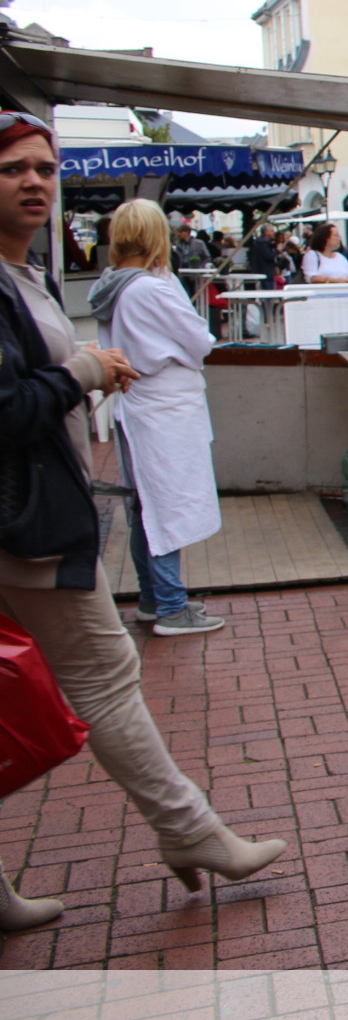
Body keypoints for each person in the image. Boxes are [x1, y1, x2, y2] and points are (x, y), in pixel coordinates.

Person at [0, 113, 286, 927]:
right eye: (14, 168)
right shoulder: (50, 283)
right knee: (105, 676)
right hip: (29, 523)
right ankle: (189, 828)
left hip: (36, 509)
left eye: (44, 167)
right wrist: (82, 372)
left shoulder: (35, 276)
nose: (35, 181)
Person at [86, 200, 226, 636]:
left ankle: (153, 597)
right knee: (167, 505)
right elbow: (200, 340)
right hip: (166, 408)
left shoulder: (113, 284)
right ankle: (170, 606)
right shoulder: (151, 288)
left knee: (145, 503)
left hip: (138, 404)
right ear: (156, 235)